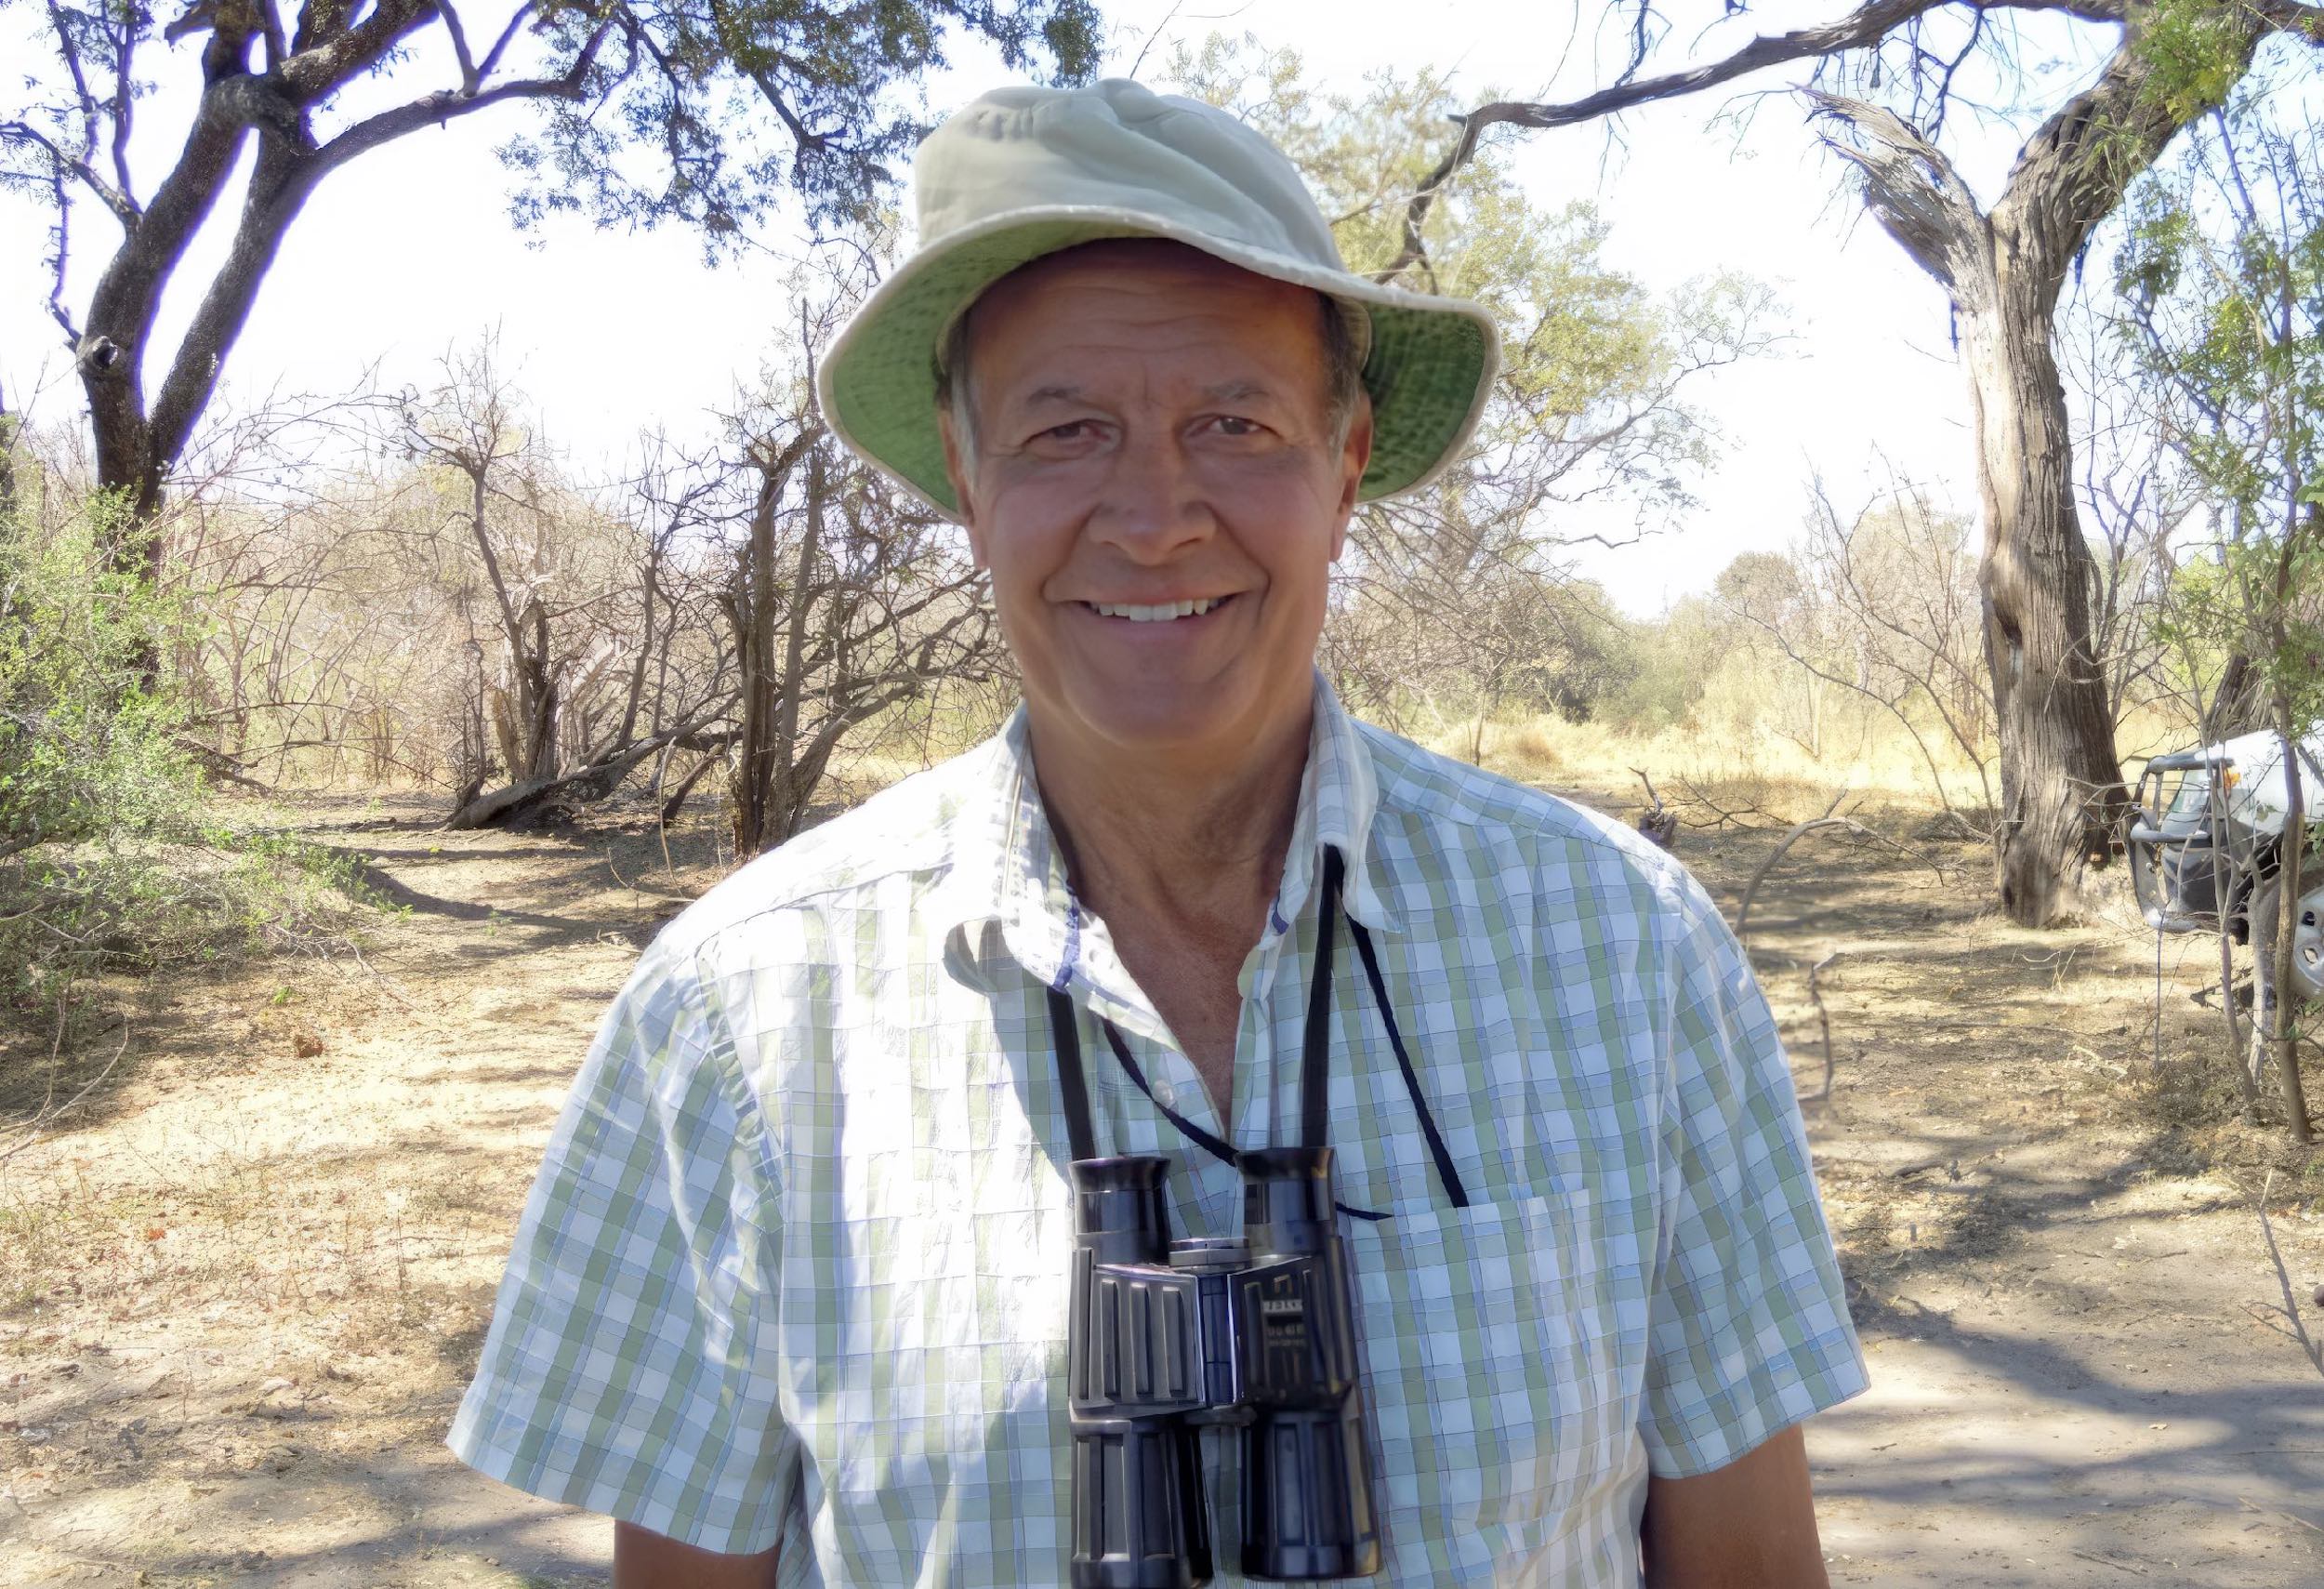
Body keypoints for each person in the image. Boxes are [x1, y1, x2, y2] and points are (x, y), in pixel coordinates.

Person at [448, 78, 1868, 1588]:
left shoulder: (1626, 950)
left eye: (1232, 422)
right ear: (968, 481)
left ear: (1344, 465)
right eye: (1066, 431)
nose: (1153, 513)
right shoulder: (735, 1017)